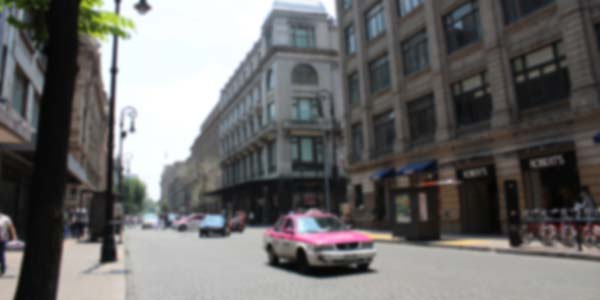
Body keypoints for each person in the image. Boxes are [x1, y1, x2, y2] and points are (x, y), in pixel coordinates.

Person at [0, 211, 18, 276]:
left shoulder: (6, 218)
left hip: (2, 239)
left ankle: (3, 269)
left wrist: (14, 236)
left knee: (1, 255)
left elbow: (11, 227)